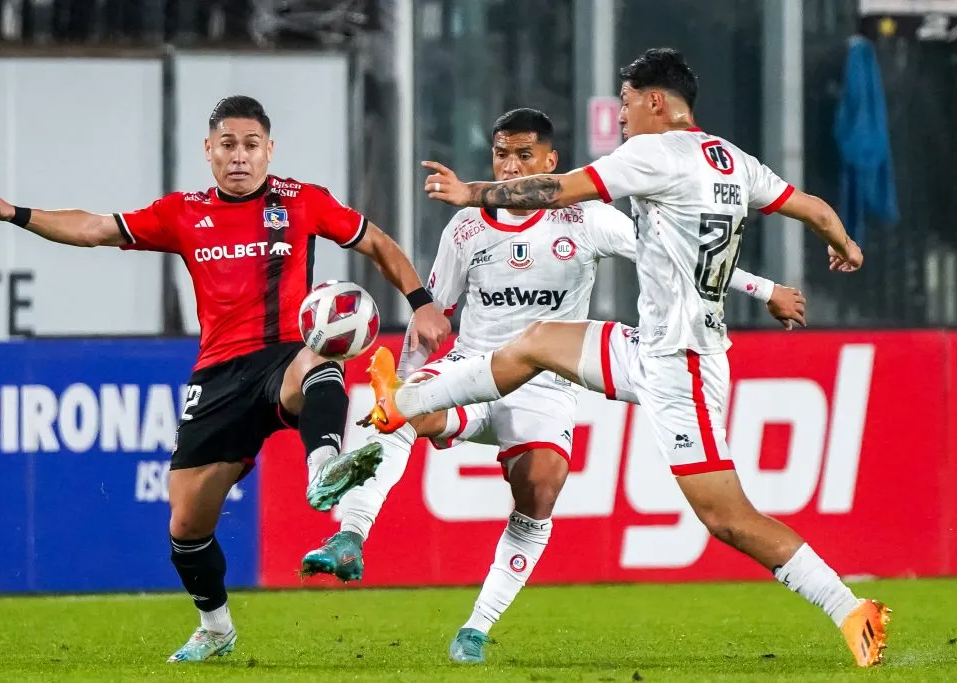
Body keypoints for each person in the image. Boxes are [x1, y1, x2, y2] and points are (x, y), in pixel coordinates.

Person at [365, 49, 889, 668]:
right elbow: (815, 209)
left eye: (626, 102)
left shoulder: (655, 152)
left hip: (683, 365)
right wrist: (845, 245)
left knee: (727, 518)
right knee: (536, 341)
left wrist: (471, 193)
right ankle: (404, 401)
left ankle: (852, 608)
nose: (620, 117)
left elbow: (555, 189)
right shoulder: (734, 160)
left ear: (656, 102)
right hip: (651, 345)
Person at [301, 108, 804, 663]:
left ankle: (477, 627)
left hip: (543, 385)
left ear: (550, 162)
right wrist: (410, 370)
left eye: (523, 156)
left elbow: (681, 260)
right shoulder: (465, 229)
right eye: (501, 154)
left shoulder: (586, 218)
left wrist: (767, 288)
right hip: (472, 370)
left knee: (540, 487)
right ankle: (350, 536)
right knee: (399, 411)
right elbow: (431, 318)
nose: (510, 167)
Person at [0, 95, 450, 663]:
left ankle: (324, 469)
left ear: (269, 149)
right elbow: (95, 228)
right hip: (218, 375)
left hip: (283, 356)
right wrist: (15, 213)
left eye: (250, 145)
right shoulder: (181, 212)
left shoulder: (302, 201)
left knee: (320, 360)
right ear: (209, 151)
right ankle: (215, 628)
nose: (239, 157)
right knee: (187, 523)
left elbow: (376, 242)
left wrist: (420, 303)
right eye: (228, 146)